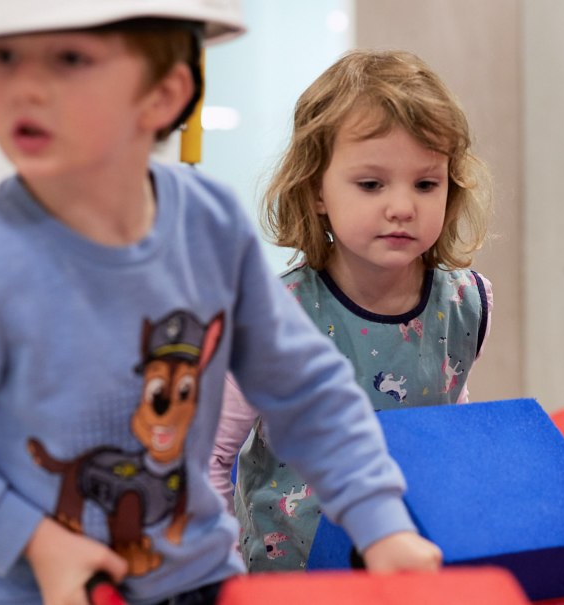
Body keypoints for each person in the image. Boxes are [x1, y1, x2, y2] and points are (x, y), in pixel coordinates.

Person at [0, 2, 443, 604]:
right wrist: (34, 540)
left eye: (70, 59)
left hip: (199, 580)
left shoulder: (209, 224)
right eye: (4, 58)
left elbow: (304, 389)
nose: (24, 87)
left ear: (164, 95)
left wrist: (380, 522)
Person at [208, 49, 493, 571]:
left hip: (407, 571)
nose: (403, 206)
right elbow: (210, 456)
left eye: (426, 183)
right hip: (287, 582)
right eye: (371, 184)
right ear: (317, 189)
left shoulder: (465, 301)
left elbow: (448, 411)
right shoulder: (275, 315)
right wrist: (216, 576)